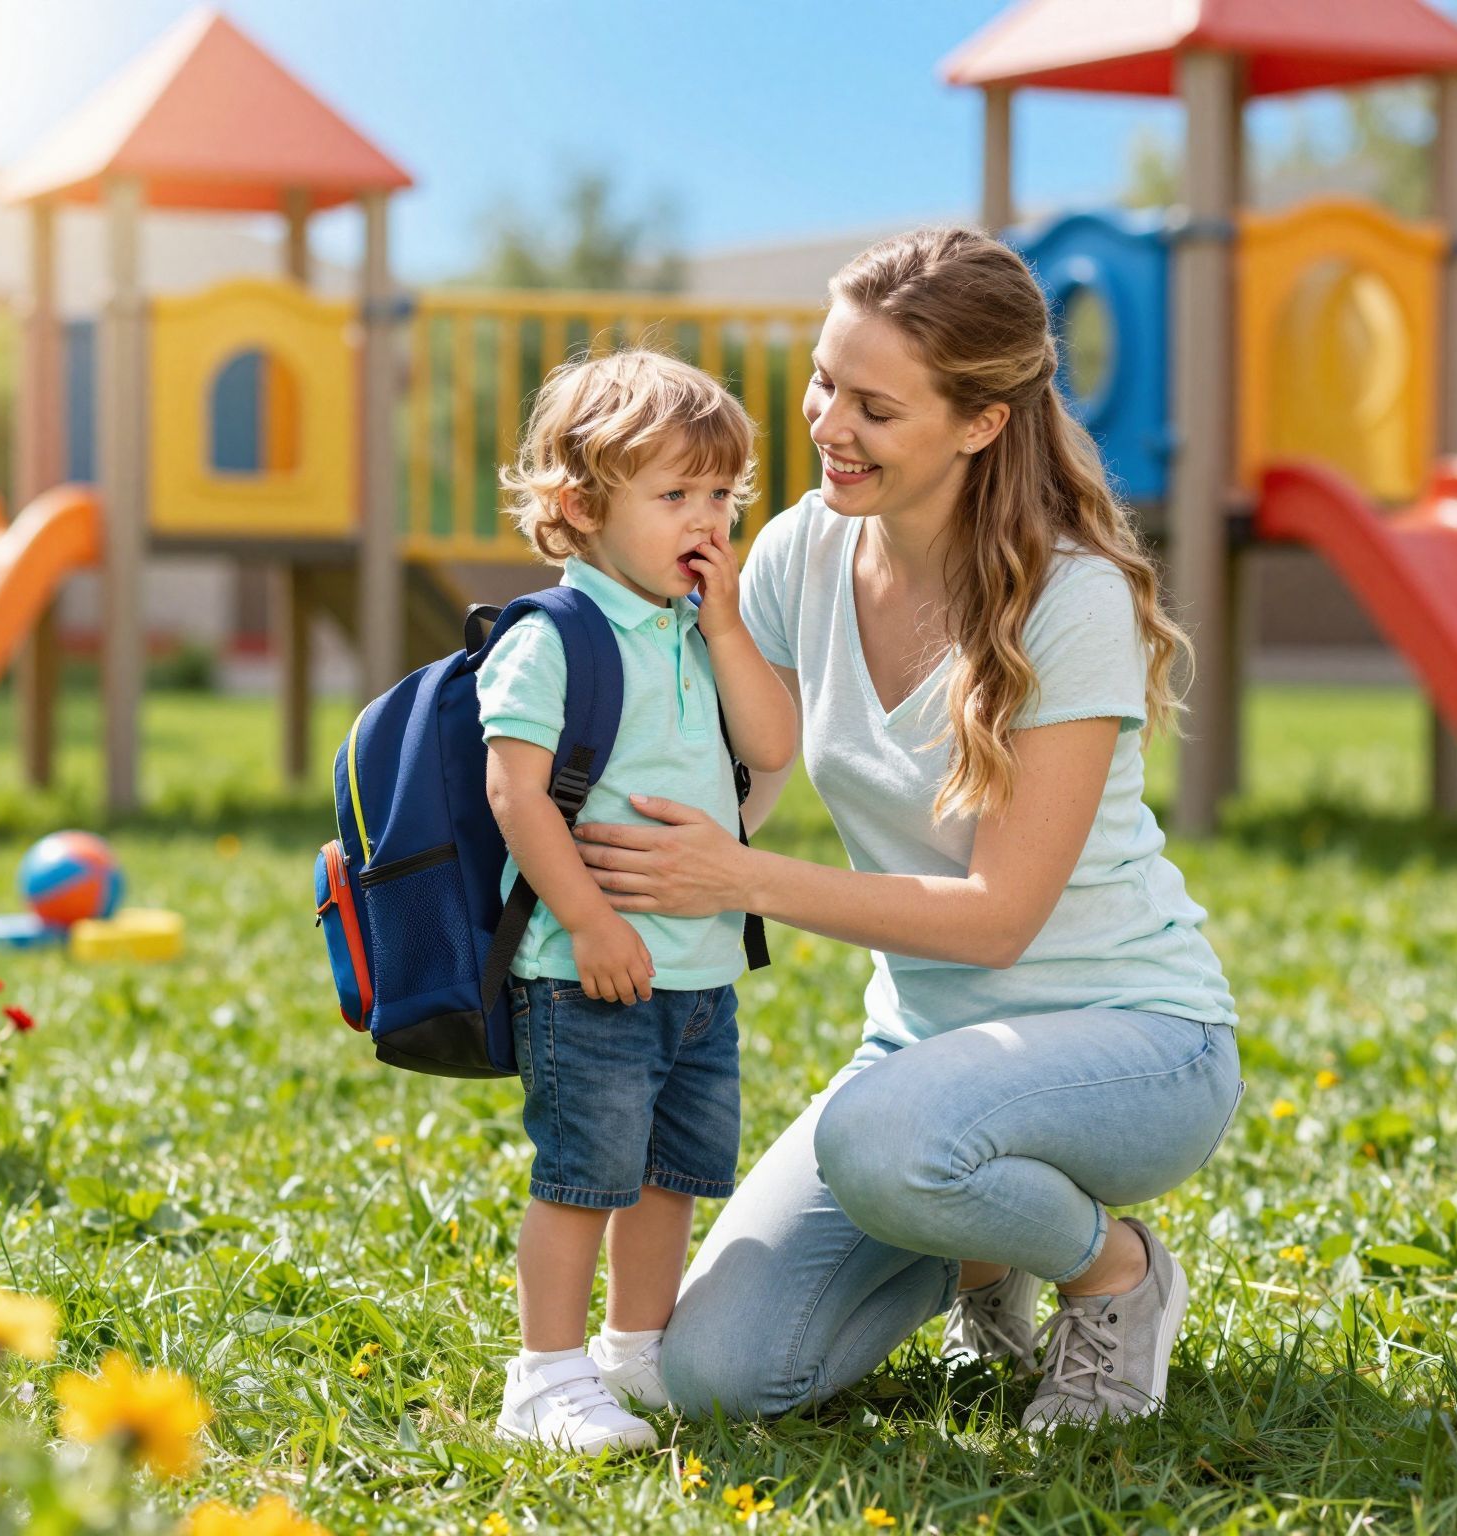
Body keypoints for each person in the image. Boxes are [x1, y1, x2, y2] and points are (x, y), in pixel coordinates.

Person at [569, 229, 1243, 1431]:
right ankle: (977, 1241)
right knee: (724, 1378)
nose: (828, 423)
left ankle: (1113, 1274)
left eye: (875, 406)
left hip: (1135, 1047)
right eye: (825, 381)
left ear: (979, 423)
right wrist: (556, 845)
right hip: (922, 1060)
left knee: (881, 1144)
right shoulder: (797, 551)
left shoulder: (1068, 596)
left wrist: (736, 877)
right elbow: (736, 776)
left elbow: (995, 920)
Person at [477, 349, 798, 1452]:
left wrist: (722, 624)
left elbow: (768, 747)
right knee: (583, 1178)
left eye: (721, 496)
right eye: (674, 496)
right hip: (587, 971)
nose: (704, 519)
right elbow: (516, 798)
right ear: (577, 507)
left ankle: (633, 1350)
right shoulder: (549, 637)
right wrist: (591, 921)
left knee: (670, 1177)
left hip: (699, 970)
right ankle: (544, 1376)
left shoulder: (694, 628)